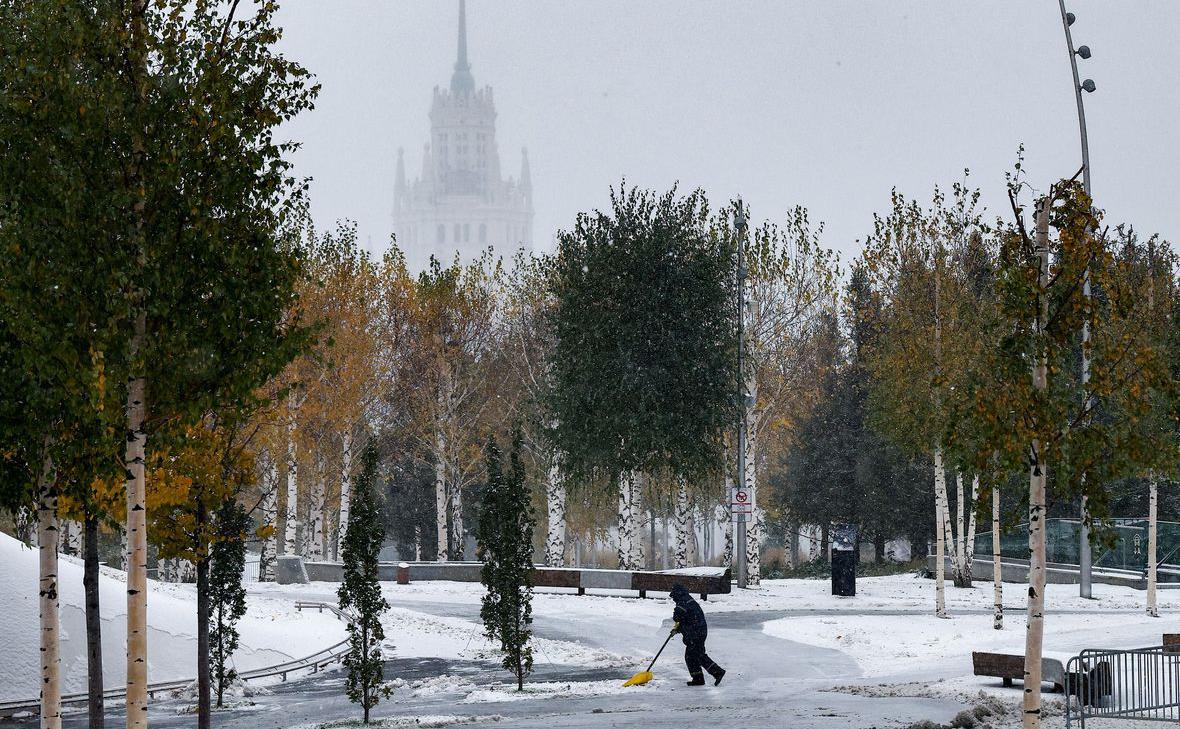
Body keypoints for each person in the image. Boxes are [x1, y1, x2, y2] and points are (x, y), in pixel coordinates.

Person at [670, 583, 725, 686]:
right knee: (693, 656)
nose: (673, 599)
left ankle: (717, 672)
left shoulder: (683, 602)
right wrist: (678, 629)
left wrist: (679, 626)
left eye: (673, 596)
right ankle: (699, 678)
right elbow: (685, 619)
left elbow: (677, 617)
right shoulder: (687, 599)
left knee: (696, 655)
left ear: (677, 594)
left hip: (695, 633)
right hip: (698, 631)